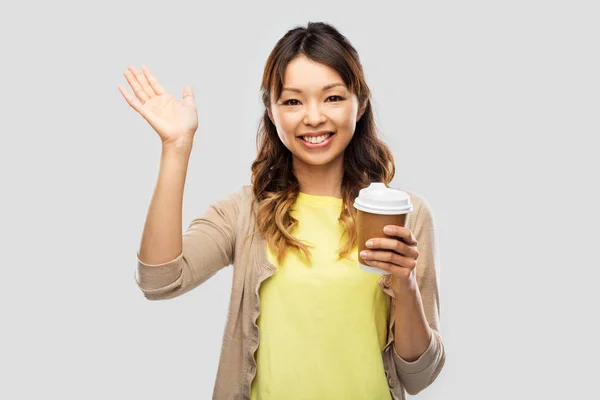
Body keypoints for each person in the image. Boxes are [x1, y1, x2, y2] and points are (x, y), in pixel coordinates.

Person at [119, 21, 445, 400]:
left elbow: (419, 375)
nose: (313, 117)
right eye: (292, 101)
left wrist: (403, 284)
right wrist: (176, 146)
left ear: (361, 105)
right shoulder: (245, 212)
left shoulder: (405, 215)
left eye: (333, 98)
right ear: (271, 113)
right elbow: (160, 281)